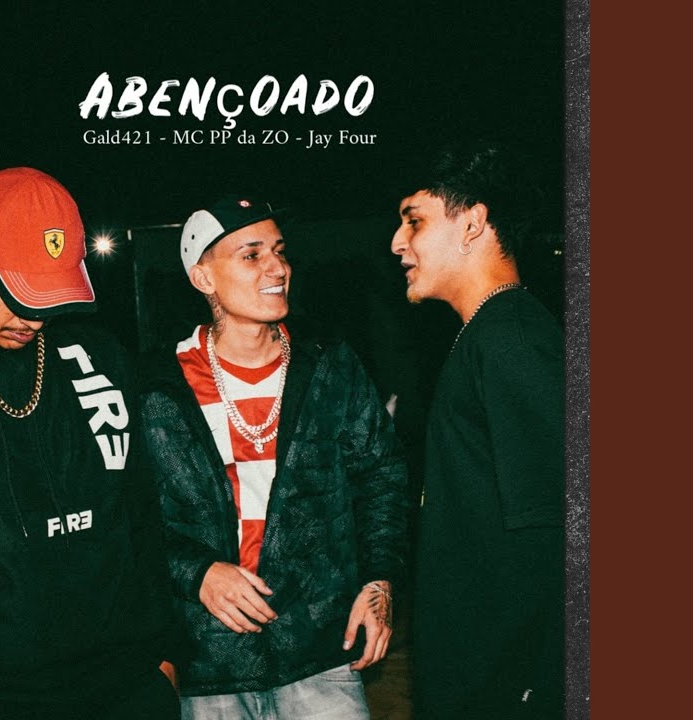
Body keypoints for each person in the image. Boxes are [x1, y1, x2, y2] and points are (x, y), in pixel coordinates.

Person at [0, 167, 178, 719]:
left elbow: (140, 514)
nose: (34, 316)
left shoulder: (99, 356)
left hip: (123, 688)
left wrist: (164, 654)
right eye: (16, 291)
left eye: (49, 293)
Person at [140, 195, 410, 719]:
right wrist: (197, 572)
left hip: (320, 649)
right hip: (210, 660)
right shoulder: (156, 385)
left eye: (279, 251)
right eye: (252, 254)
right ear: (203, 278)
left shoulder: (329, 364)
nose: (278, 268)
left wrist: (379, 582)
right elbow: (131, 514)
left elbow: (382, 477)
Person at [390, 146, 565, 718]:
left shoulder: (513, 342)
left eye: (414, 221)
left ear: (472, 224)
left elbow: (556, 540)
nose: (397, 242)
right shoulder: (489, 334)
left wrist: (527, 689)